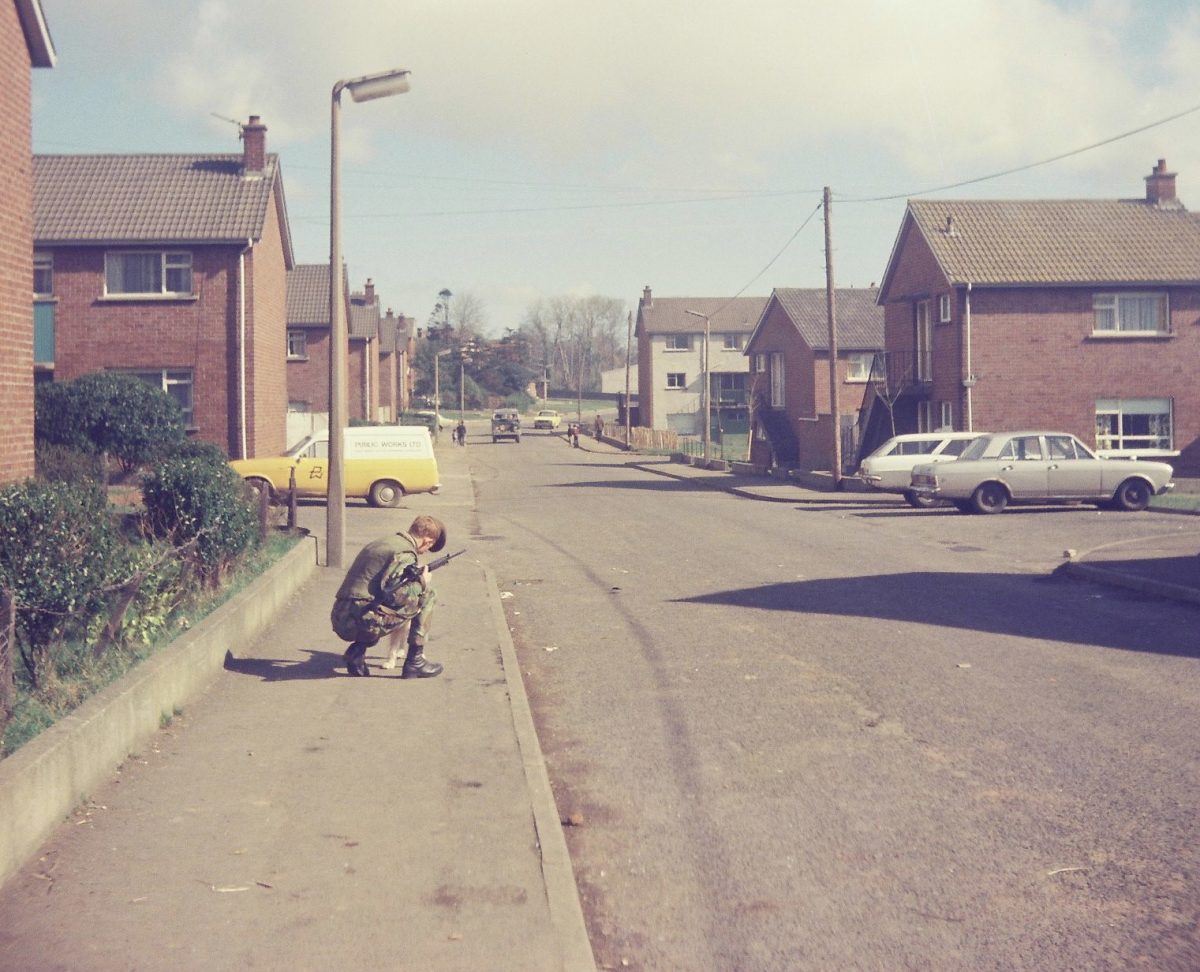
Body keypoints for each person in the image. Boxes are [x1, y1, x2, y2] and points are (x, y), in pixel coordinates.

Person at [330, 514, 447, 678]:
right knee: (428, 594)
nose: (425, 551)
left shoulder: (385, 543)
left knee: (374, 603)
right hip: (359, 621)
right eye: (428, 547)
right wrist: (422, 583)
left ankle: (357, 652)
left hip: (341, 615)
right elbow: (395, 597)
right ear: (428, 541)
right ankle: (415, 660)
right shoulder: (405, 553)